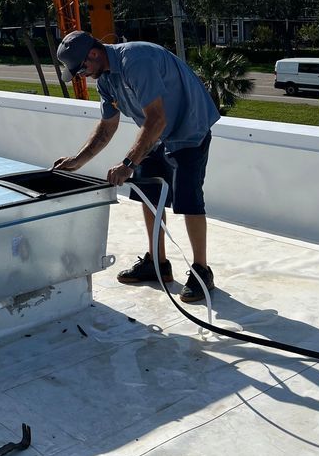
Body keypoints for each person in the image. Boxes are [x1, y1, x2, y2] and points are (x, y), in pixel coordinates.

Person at [52, 31, 220, 303]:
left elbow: (157, 118)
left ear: (94, 54)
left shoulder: (135, 60)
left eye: (81, 68)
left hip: (189, 125)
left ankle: (202, 271)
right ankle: (158, 264)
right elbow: (108, 125)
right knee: (148, 193)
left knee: (189, 198)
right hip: (156, 132)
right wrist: (78, 160)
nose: (81, 75)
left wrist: (129, 162)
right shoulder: (104, 78)